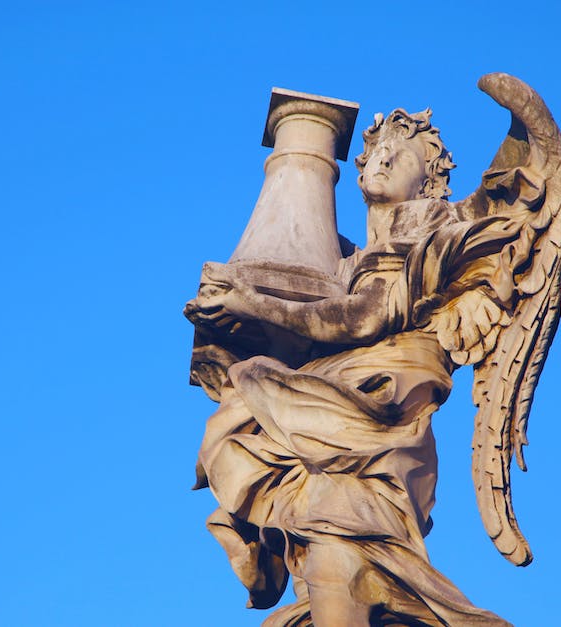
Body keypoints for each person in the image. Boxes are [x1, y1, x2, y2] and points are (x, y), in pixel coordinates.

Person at [186, 109, 511, 626]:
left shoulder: (428, 225)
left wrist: (254, 303)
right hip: (342, 399)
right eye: (373, 151)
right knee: (321, 544)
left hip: (378, 408)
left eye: (397, 153)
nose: (380, 159)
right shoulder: (346, 260)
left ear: (429, 177)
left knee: (341, 542)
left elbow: (364, 317)